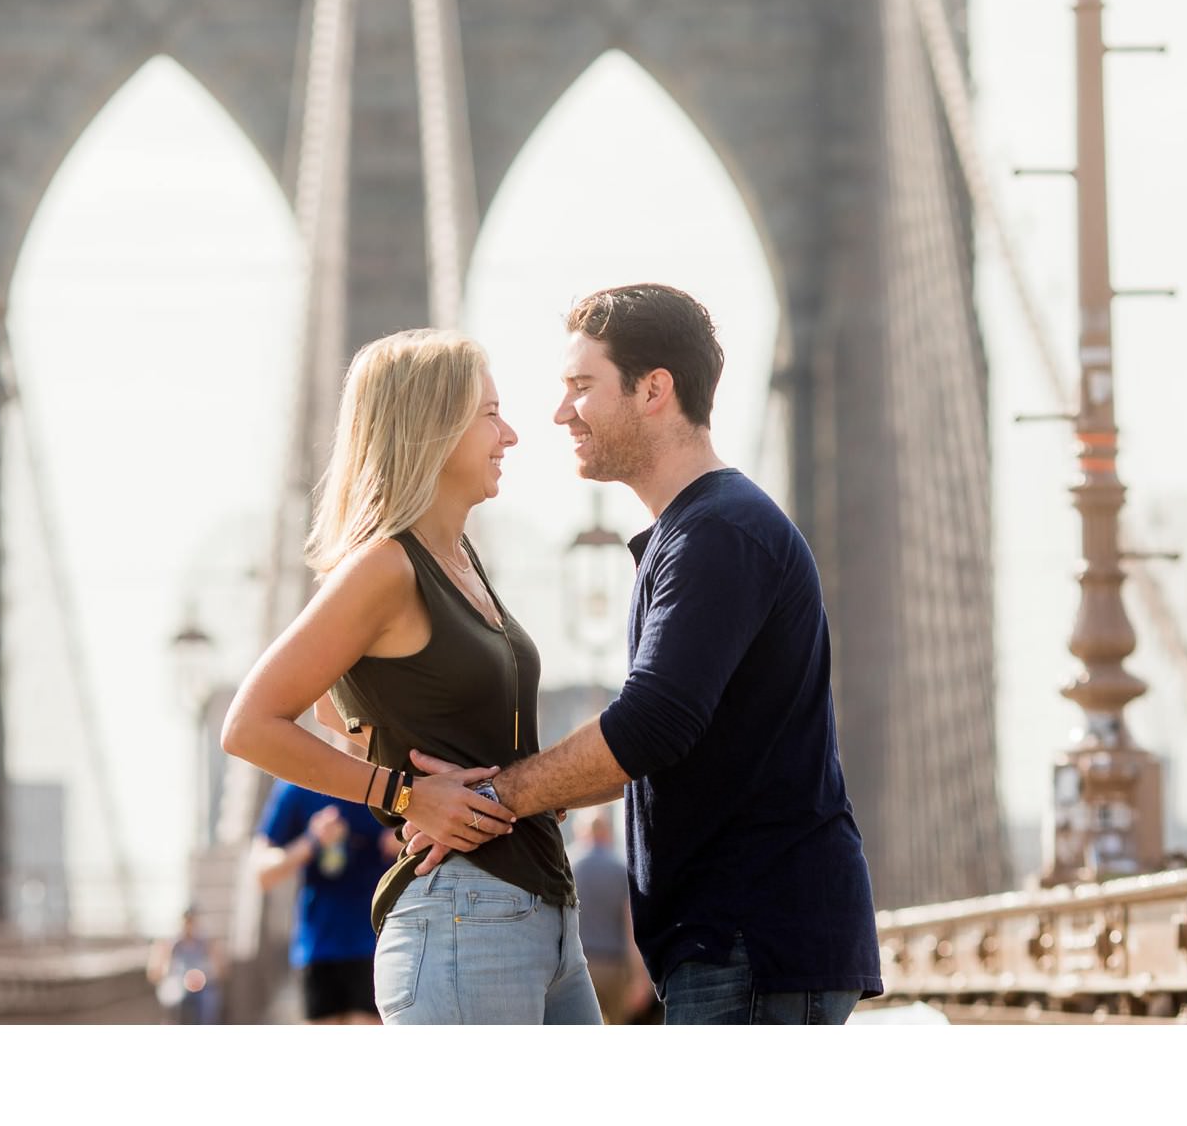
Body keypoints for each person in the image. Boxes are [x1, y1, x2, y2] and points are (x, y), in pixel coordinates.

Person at [405, 283, 883, 1024]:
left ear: (654, 389)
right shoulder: (701, 532)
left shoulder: (717, 534)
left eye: (582, 387)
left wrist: (488, 802)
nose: (561, 413)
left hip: (751, 940)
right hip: (741, 940)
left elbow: (652, 725)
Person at [221, 328, 602, 1025]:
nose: (511, 434)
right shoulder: (385, 567)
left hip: (543, 913)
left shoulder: (462, 561)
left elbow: (346, 714)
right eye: (490, 413)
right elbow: (249, 725)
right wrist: (403, 794)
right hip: (464, 919)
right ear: (433, 427)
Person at [253, 779, 402, 1023]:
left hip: (379, 943)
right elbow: (261, 872)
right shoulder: (297, 784)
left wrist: (406, 841)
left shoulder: (394, 780)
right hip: (320, 947)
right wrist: (311, 841)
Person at [565, 807, 654, 1024]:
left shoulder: (568, 864)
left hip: (577, 966)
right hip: (615, 968)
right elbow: (631, 928)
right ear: (607, 832)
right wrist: (641, 979)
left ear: (581, 832)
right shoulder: (622, 869)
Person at [146, 906, 224, 1024]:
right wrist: (166, 958)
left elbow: (221, 971)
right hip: (176, 987)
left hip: (203, 989)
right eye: (186, 923)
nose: (189, 927)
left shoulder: (206, 944)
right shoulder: (168, 944)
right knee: (175, 1000)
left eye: (192, 922)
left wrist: (205, 975)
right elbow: (154, 974)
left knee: (208, 1003)